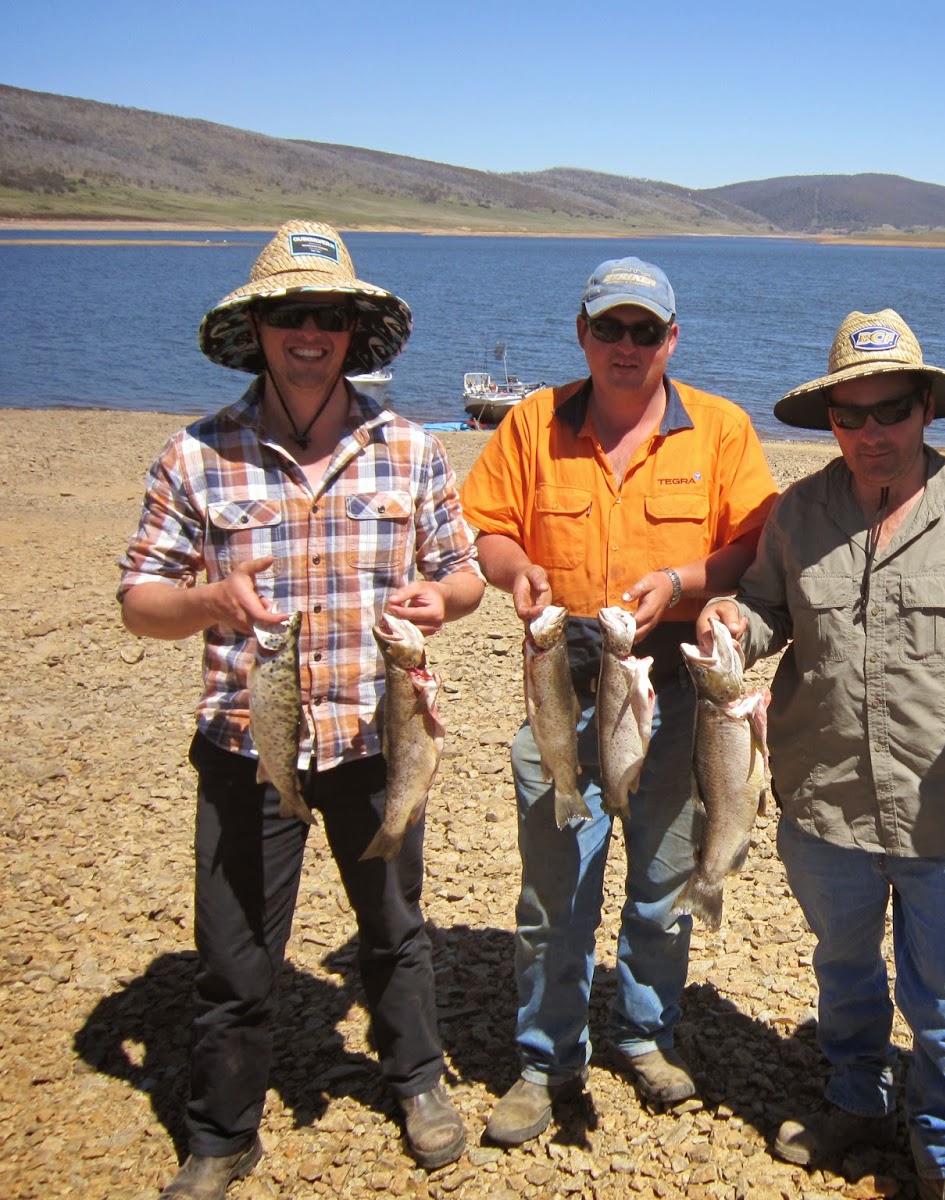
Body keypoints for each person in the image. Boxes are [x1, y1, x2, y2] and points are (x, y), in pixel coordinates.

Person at [118, 220, 485, 1199]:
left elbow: (464, 575)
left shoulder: (408, 449)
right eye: (290, 315)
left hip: (379, 740)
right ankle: (223, 1133)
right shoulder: (195, 456)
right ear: (260, 330)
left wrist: (436, 601)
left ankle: (415, 1083)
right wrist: (206, 601)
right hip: (246, 746)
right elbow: (137, 602)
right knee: (236, 956)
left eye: (327, 316)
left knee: (395, 927)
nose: (309, 333)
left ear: (354, 333)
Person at [696, 309, 945, 1200]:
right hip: (821, 804)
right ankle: (857, 1098)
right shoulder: (798, 514)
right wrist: (732, 624)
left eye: (888, 410)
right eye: (849, 416)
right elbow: (769, 612)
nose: (869, 433)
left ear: (926, 408)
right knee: (845, 974)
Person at [457, 256, 778, 1145]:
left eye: (646, 331)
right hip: (566, 683)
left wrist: (681, 579)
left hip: (678, 684)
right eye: (611, 328)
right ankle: (543, 1058)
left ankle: (644, 1033)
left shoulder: (719, 430)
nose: (627, 346)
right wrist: (516, 569)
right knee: (554, 893)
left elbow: (755, 544)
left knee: (665, 878)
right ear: (583, 334)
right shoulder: (532, 422)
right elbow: (485, 528)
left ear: (671, 340)